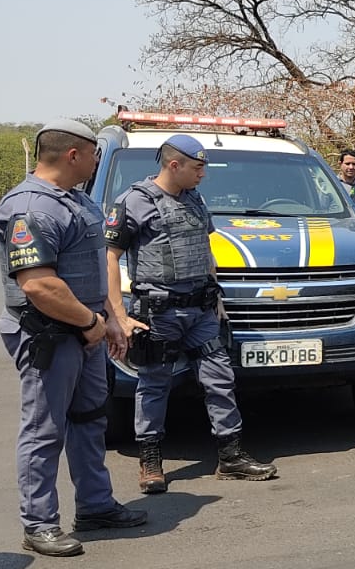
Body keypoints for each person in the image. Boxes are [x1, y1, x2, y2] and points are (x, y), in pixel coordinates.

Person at [0, 119, 148, 557]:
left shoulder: (76, 201)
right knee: (44, 430)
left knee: (89, 420)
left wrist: (111, 320)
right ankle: (39, 523)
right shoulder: (31, 207)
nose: (98, 161)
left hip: (86, 331)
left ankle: (96, 507)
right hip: (51, 336)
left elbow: (95, 268)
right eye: (94, 153)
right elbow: (39, 285)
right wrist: (88, 323)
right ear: (73, 155)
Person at [106, 134, 277, 494]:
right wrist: (118, 314)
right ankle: (151, 462)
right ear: (174, 165)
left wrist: (217, 298)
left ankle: (230, 456)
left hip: (200, 310)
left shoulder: (194, 199)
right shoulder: (134, 201)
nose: (203, 175)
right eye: (197, 168)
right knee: (154, 384)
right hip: (158, 312)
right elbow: (109, 256)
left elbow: (205, 247)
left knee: (220, 379)